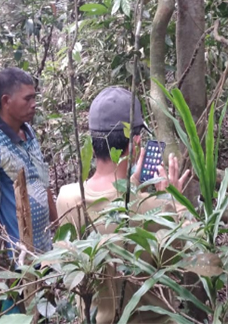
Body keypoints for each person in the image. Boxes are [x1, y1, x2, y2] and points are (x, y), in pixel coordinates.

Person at [56, 86, 190, 324]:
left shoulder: (67, 198)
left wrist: (133, 185)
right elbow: (190, 255)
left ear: (93, 143)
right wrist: (174, 202)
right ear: (136, 143)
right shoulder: (156, 209)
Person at [0, 67, 57, 254]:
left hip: (45, 251)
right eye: (27, 99)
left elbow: (43, 182)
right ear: (6, 101)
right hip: (17, 259)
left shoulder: (29, 132)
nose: (34, 104)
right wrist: (0, 264)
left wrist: (57, 226)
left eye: (34, 97)